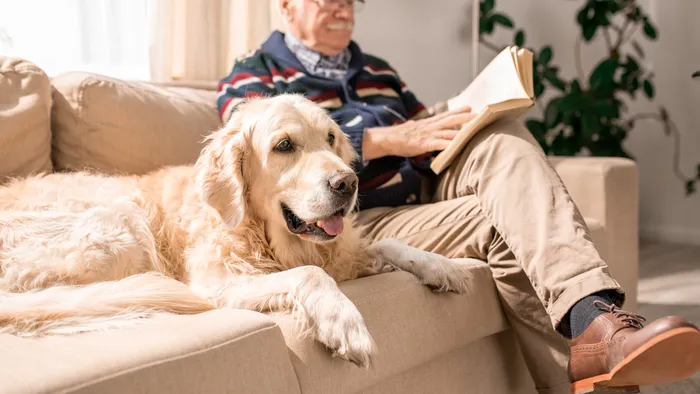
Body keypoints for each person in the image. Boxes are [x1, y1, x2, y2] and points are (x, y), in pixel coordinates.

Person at [216, 0, 700, 392]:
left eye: (351, 1)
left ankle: (593, 320)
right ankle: (591, 356)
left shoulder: (379, 70)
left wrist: (468, 120)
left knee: (505, 139)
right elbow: (246, 132)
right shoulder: (255, 72)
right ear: (286, 6)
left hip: (426, 186)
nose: (343, 8)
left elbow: (427, 133)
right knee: (505, 226)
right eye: (329, 0)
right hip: (372, 215)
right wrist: (387, 139)